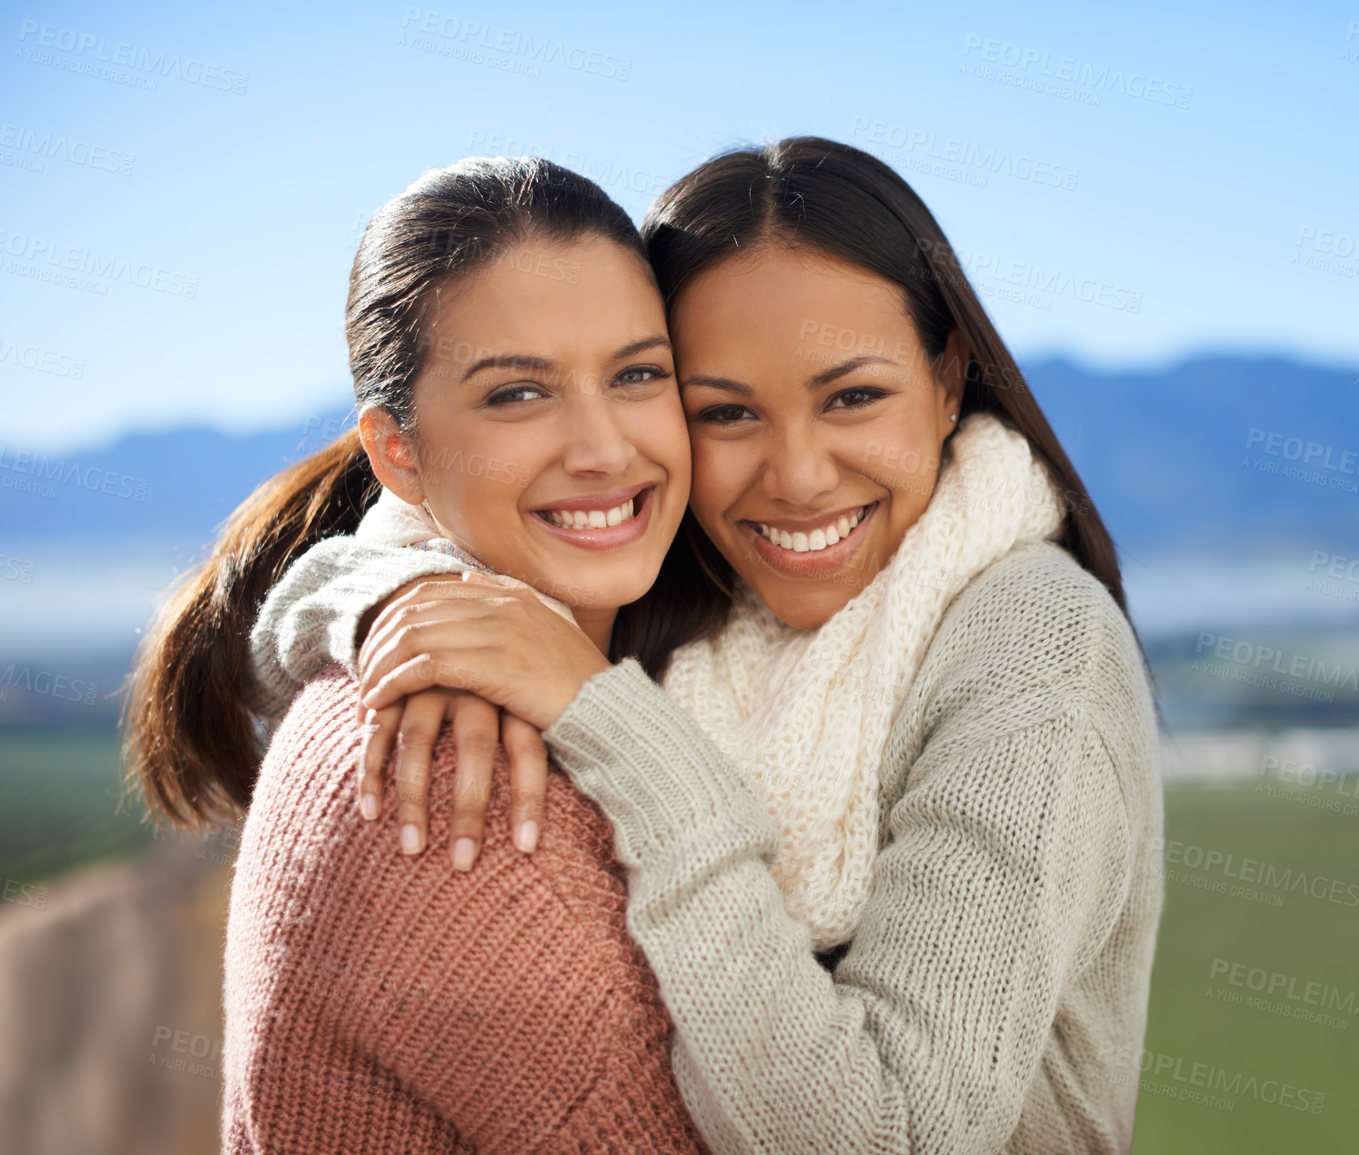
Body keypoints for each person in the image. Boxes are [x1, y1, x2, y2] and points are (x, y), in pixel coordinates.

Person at [252, 137, 1165, 1153]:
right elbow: (386, 537)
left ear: (949, 378)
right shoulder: (695, 575)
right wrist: (405, 598)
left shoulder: (1034, 647)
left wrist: (608, 722)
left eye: (853, 396)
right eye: (724, 411)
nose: (799, 477)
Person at [125, 156, 709, 1153]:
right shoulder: (445, 782)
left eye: (637, 373)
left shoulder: (574, 670)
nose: (605, 448)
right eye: (518, 395)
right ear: (399, 453)